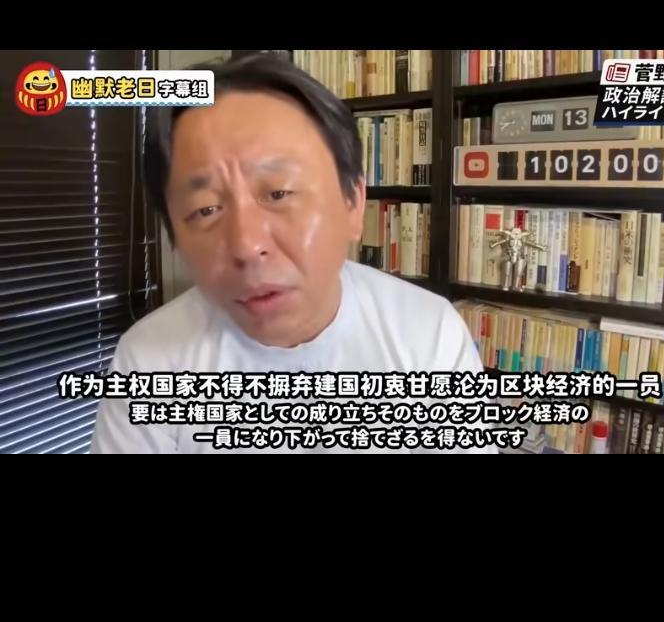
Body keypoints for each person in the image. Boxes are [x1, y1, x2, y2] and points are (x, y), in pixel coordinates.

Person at [90, 53, 496, 454]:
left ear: (353, 203)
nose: (247, 245)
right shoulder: (149, 359)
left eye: (279, 193)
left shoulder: (428, 331)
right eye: (206, 209)